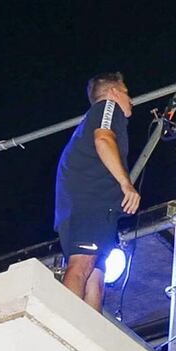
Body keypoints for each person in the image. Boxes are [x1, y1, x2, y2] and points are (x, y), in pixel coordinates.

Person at [54, 72, 141, 311]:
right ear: (113, 92)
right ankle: (63, 326)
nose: (130, 100)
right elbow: (103, 138)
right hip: (90, 202)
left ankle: (86, 334)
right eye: (126, 93)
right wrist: (125, 183)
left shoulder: (103, 115)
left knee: (96, 276)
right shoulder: (108, 107)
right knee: (82, 265)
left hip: (97, 207)